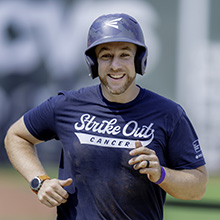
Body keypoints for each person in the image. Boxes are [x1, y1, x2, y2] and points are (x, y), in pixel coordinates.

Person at [4, 13, 208, 220]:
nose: (115, 65)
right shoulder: (67, 105)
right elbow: (16, 136)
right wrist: (40, 181)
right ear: (94, 62)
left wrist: (161, 174)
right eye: (106, 56)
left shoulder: (169, 114)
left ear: (139, 60)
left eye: (125, 55)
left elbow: (198, 186)